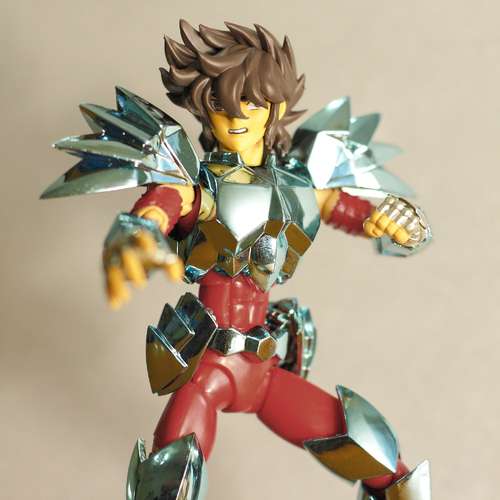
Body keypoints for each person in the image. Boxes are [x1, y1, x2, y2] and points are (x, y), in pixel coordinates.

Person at [42, 20, 432, 500]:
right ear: (204, 108)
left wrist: (391, 221)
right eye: (220, 103)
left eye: (250, 101)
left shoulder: (299, 184)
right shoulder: (199, 186)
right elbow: (164, 205)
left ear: (276, 107)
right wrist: (137, 233)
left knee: (375, 453)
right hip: (208, 368)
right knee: (170, 480)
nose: (236, 115)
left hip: (264, 368)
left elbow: (350, 211)